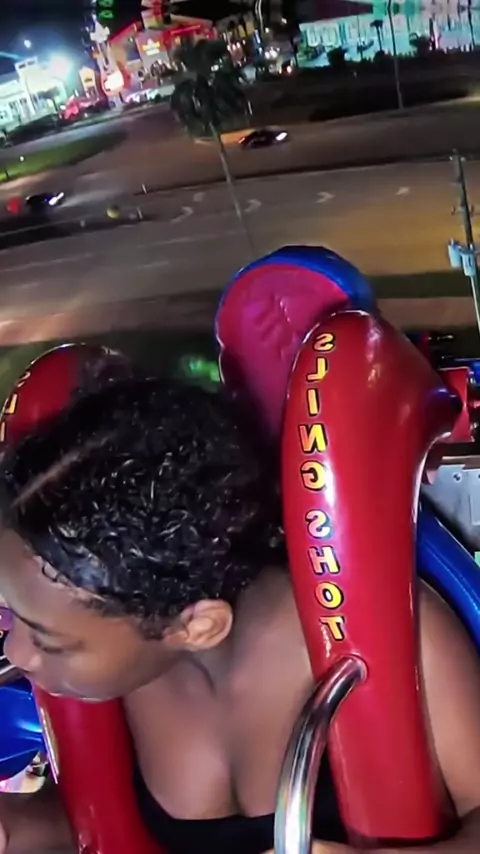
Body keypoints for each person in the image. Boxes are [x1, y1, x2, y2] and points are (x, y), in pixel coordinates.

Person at [0, 377, 479, 854]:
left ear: (197, 627)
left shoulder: (402, 638)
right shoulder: (136, 651)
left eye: (47, 640)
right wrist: (14, 826)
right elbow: (99, 817)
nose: (14, 651)